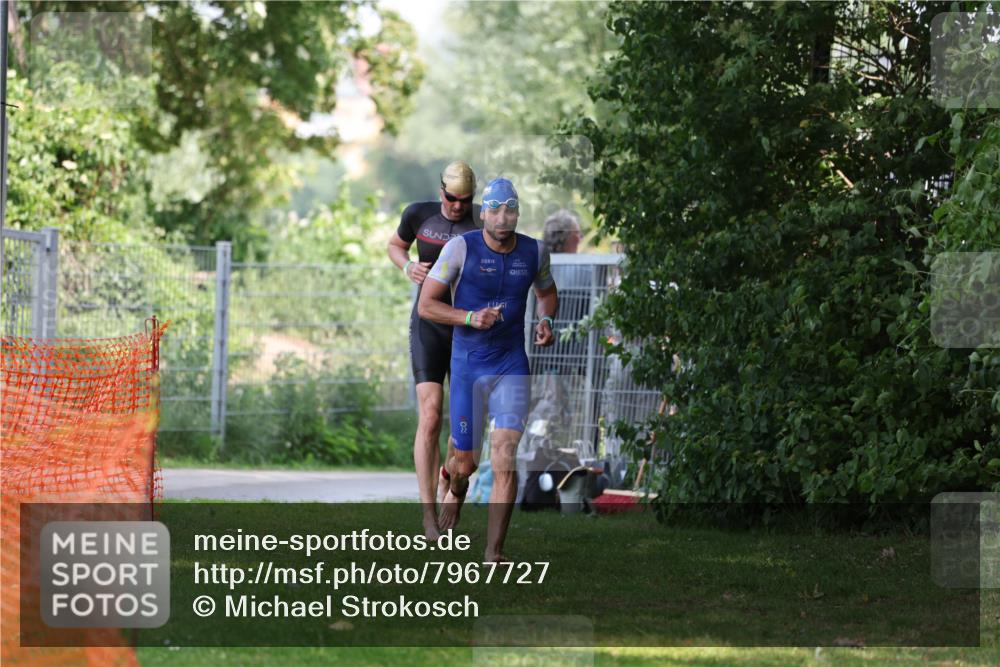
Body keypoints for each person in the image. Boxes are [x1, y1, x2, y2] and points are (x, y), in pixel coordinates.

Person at [418, 177, 558, 562]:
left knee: (504, 454)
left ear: (517, 212)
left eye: (509, 209)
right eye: (494, 210)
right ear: (484, 214)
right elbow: (426, 306)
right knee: (466, 463)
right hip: (468, 368)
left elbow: (546, 294)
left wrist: (547, 321)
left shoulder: (534, 252)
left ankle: (494, 552)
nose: (502, 218)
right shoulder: (459, 248)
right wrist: (468, 317)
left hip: (511, 363)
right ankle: (454, 484)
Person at [387, 160, 481, 540]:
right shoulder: (418, 214)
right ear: (440, 190)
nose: (458, 206)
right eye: (452, 198)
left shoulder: (483, 223)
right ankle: (427, 516)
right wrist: (407, 266)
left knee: (463, 432)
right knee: (429, 416)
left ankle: (453, 482)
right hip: (428, 326)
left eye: (465, 200)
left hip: (467, 332)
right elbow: (395, 246)